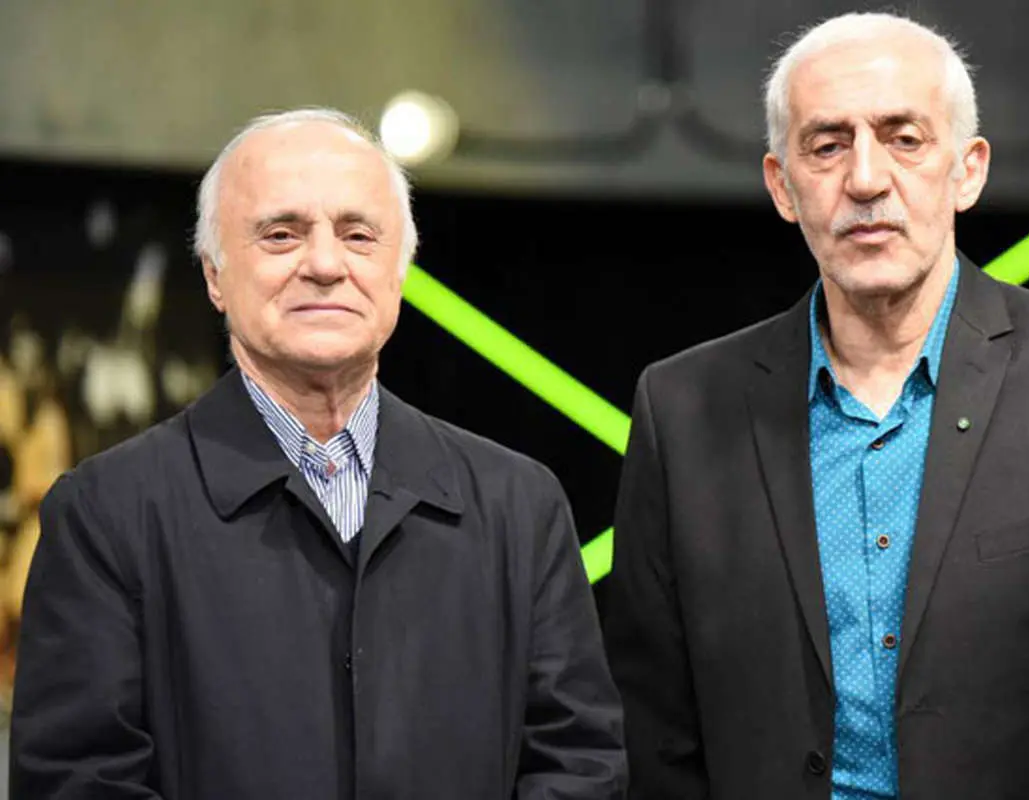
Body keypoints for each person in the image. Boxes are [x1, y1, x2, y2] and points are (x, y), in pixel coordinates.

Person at [603, 11, 1029, 800]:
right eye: (827, 145)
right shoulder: (681, 410)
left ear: (968, 170)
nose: (866, 179)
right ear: (782, 186)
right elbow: (653, 728)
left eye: (904, 138)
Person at [12, 108, 626, 799]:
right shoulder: (107, 513)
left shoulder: (520, 506)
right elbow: (79, 782)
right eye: (282, 234)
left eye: (358, 235)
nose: (326, 265)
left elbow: (580, 766)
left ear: (398, 270)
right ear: (215, 275)